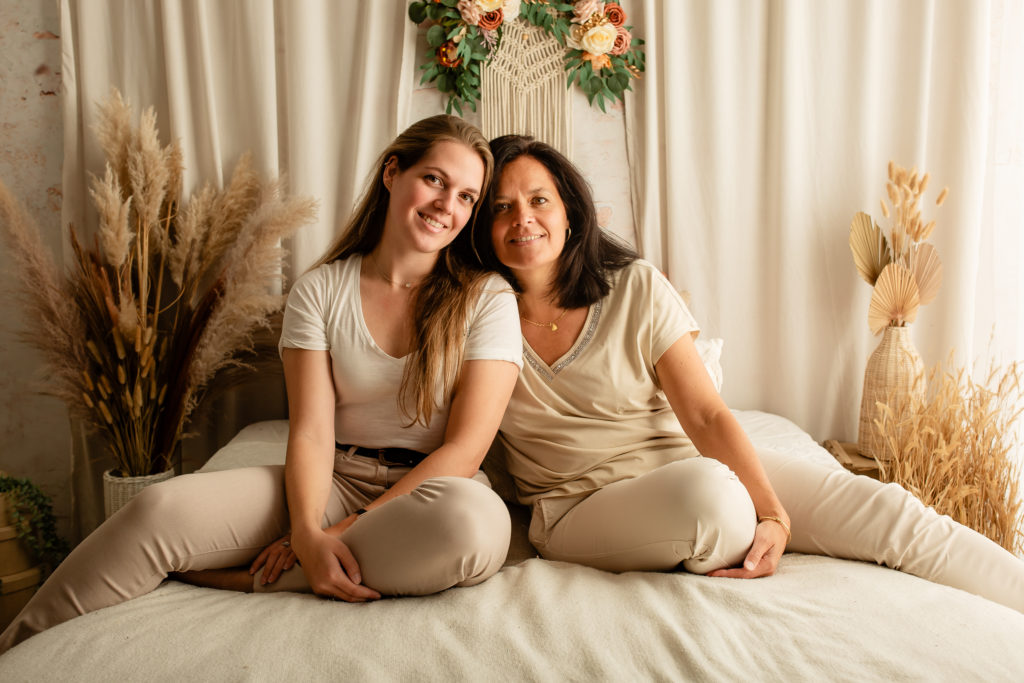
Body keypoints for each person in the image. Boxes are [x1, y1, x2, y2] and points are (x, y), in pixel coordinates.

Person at [0, 115, 522, 654]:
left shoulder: (487, 298)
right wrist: (306, 528)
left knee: (471, 529)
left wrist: (327, 541)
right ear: (393, 172)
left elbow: (464, 451)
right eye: (435, 180)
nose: (447, 205)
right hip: (332, 481)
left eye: (466, 196)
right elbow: (313, 434)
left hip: (431, 496)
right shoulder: (321, 290)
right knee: (155, 512)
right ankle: (14, 646)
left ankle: (258, 578)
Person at [472, 134, 1024, 612]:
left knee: (887, 510)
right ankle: (733, 519)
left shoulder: (634, 287)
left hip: (688, 460)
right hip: (582, 508)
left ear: (569, 210)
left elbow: (708, 414)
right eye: (500, 207)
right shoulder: (474, 315)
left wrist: (775, 514)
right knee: (709, 499)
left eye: (538, 199)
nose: (522, 218)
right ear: (481, 228)